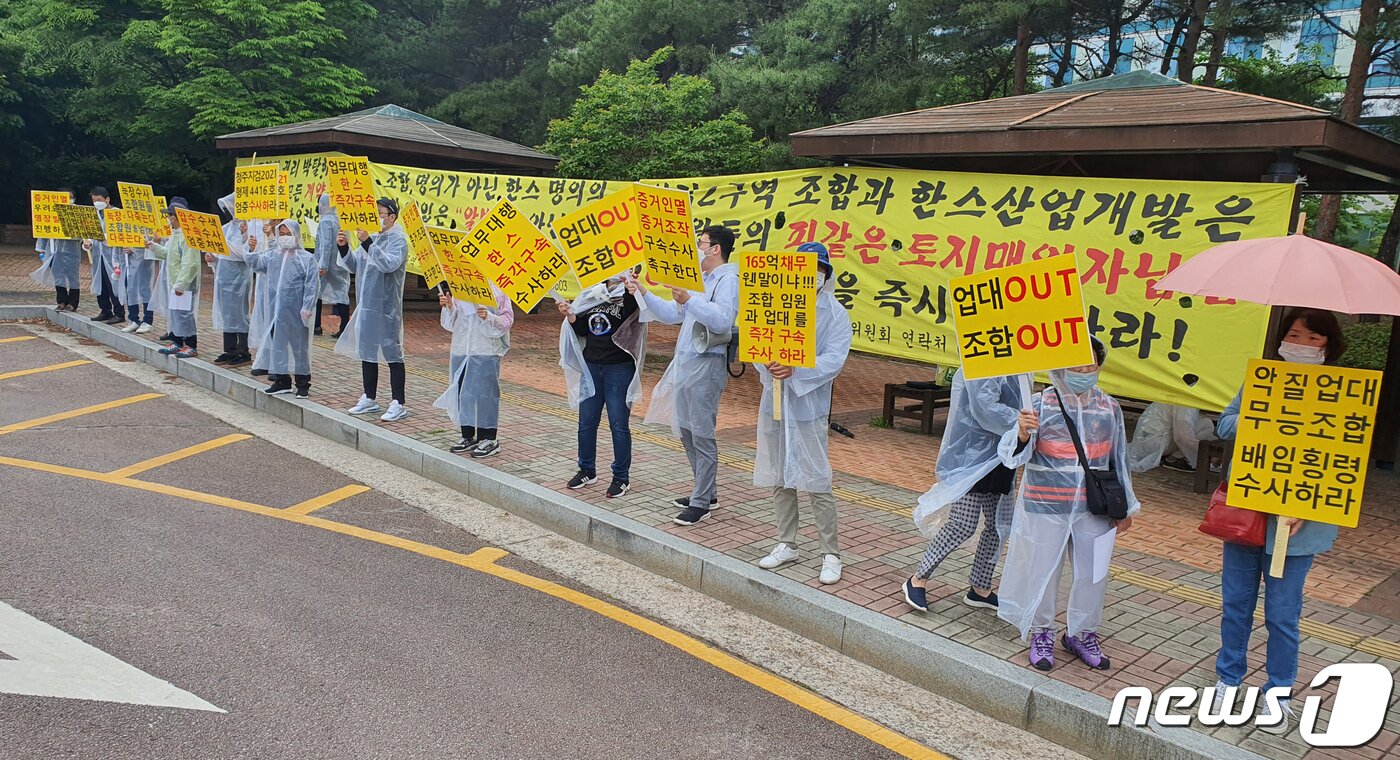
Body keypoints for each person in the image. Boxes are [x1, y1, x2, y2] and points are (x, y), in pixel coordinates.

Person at [1212, 308, 1345, 735]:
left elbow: (1344, 457)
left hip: (1300, 524)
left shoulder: (1343, 391)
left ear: (1326, 343)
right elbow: (1225, 423)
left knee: (1282, 614)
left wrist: (1309, 507)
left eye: (1309, 337)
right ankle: (1227, 680)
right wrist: (1260, 416)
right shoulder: (1262, 378)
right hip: (1247, 515)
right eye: (1292, 334)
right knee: (1236, 605)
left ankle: (1279, 691)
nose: (1298, 343)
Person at [997, 337, 1139, 672]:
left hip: (1096, 507)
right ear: (1061, 364)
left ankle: (1081, 632)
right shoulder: (1038, 405)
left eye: (1091, 364)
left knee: (1094, 574)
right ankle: (1041, 631)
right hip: (1045, 505)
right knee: (1043, 571)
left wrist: (1127, 507)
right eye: (1077, 363)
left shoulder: (1109, 408)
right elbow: (1012, 458)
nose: (1084, 371)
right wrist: (1021, 433)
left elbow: (1120, 458)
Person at [753, 242, 852, 585]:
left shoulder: (836, 314)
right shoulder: (772, 305)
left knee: (816, 478)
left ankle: (830, 552)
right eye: (804, 269)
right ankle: (786, 542)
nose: (812, 276)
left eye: (818, 270)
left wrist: (797, 368)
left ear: (826, 274)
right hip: (775, 402)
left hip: (808, 407)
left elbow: (834, 360)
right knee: (780, 474)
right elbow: (758, 344)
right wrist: (768, 364)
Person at [629, 225, 740, 525]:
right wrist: (644, 291)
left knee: (702, 433)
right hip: (687, 362)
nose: (696, 248)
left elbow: (722, 321)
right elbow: (671, 314)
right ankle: (706, 491)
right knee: (687, 431)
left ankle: (702, 501)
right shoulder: (702, 280)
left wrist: (689, 300)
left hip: (708, 363)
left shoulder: (729, 280)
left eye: (701, 243)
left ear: (715, 249)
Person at [903, 369, 1030, 612]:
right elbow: (985, 408)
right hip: (970, 456)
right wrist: (1024, 419)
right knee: (963, 523)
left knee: (999, 525)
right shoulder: (982, 356)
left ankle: (980, 588)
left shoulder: (1021, 364)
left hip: (1003, 455)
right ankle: (917, 579)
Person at [558, 272, 646, 498]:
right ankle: (586, 469)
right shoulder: (592, 292)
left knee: (618, 424)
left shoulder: (628, 294)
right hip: (592, 365)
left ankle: (621, 477)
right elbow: (583, 330)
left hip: (619, 368)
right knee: (586, 421)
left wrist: (628, 285)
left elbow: (632, 314)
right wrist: (570, 315)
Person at [336, 197, 409, 422]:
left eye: (381, 213)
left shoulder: (399, 240)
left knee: (392, 351)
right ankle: (369, 397)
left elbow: (388, 264)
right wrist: (344, 247)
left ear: (392, 217)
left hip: (387, 306)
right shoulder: (372, 237)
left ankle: (399, 401)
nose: (377, 217)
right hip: (367, 305)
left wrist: (367, 242)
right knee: (367, 351)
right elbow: (356, 266)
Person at [432, 286, 514, 457]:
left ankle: (489, 438)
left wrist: (489, 317)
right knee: (464, 393)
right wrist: (449, 307)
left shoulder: (498, 290)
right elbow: (454, 322)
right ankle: (467, 435)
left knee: (485, 394)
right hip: (462, 348)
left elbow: (507, 320)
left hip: (485, 348)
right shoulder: (461, 287)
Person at [244, 220, 319, 398]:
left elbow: (312, 285)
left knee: (299, 347)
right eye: (282, 234)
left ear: (297, 235)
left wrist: (307, 307)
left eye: (288, 234)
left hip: (297, 311)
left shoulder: (306, 258)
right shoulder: (273, 255)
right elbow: (256, 265)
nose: (285, 237)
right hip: (276, 311)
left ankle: (302, 383)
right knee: (278, 345)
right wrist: (251, 249)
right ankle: (282, 380)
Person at [144, 197, 201, 358]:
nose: (167, 219)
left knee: (184, 314)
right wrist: (153, 246)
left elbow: (190, 264)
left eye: (169, 216)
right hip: (174, 282)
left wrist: (181, 283)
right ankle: (177, 342)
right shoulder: (175, 235)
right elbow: (167, 254)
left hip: (184, 284)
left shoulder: (187, 236)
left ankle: (191, 344)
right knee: (175, 313)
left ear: (175, 217)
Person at [207, 193, 254, 366]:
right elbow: (219, 252)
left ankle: (243, 351)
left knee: (239, 313)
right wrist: (212, 256)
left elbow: (248, 254)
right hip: (224, 277)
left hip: (239, 278)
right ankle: (229, 349)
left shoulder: (249, 227)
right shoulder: (226, 228)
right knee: (227, 314)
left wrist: (238, 241)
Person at [30, 188, 82, 312]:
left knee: (73, 276)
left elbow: (82, 232)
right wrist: (42, 249)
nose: (68, 199)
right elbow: (43, 231)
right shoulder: (51, 211)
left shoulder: (77, 212)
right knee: (58, 276)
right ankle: (61, 301)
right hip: (54, 250)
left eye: (70, 197)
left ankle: (73, 303)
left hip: (72, 251)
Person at [313, 193, 351, 338]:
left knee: (317, 293)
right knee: (342, 294)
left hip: (327, 263)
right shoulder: (341, 220)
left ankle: (316, 325)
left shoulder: (325, 221)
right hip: (340, 262)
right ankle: (345, 327)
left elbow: (326, 244)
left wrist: (322, 265)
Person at [85, 187, 125, 325]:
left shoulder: (116, 214)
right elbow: (90, 233)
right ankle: (105, 310)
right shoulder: (94, 214)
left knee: (113, 283)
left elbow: (121, 235)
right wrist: (88, 242)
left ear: (107, 199)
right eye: (94, 200)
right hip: (98, 255)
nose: (96, 203)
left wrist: (105, 238)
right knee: (100, 282)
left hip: (113, 255)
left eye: (99, 200)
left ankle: (119, 313)